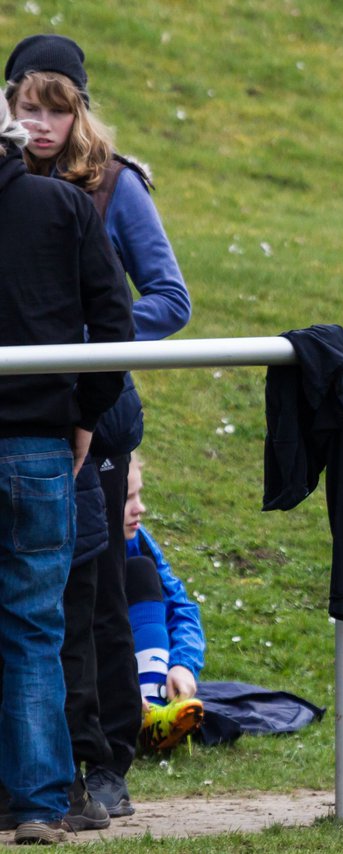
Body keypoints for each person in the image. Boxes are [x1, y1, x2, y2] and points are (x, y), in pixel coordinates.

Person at [5, 33, 192, 820]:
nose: (42, 124)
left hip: (89, 413)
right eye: (28, 106)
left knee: (96, 590)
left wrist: (75, 349)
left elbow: (168, 299)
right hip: (38, 414)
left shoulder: (113, 186)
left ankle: (105, 761)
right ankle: (44, 777)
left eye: (57, 107)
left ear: (80, 109)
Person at [0, 94, 133, 846]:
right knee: (33, 629)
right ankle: (41, 802)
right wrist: (85, 416)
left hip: (39, 438)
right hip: (38, 446)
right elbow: (114, 322)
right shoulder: (63, 207)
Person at [122, 456, 207, 753]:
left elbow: (181, 608)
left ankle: (154, 710)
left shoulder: (138, 539)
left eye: (139, 493)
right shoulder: (68, 542)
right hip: (91, 672)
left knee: (143, 572)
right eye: (128, 498)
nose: (140, 507)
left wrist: (183, 665)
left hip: (131, 659)